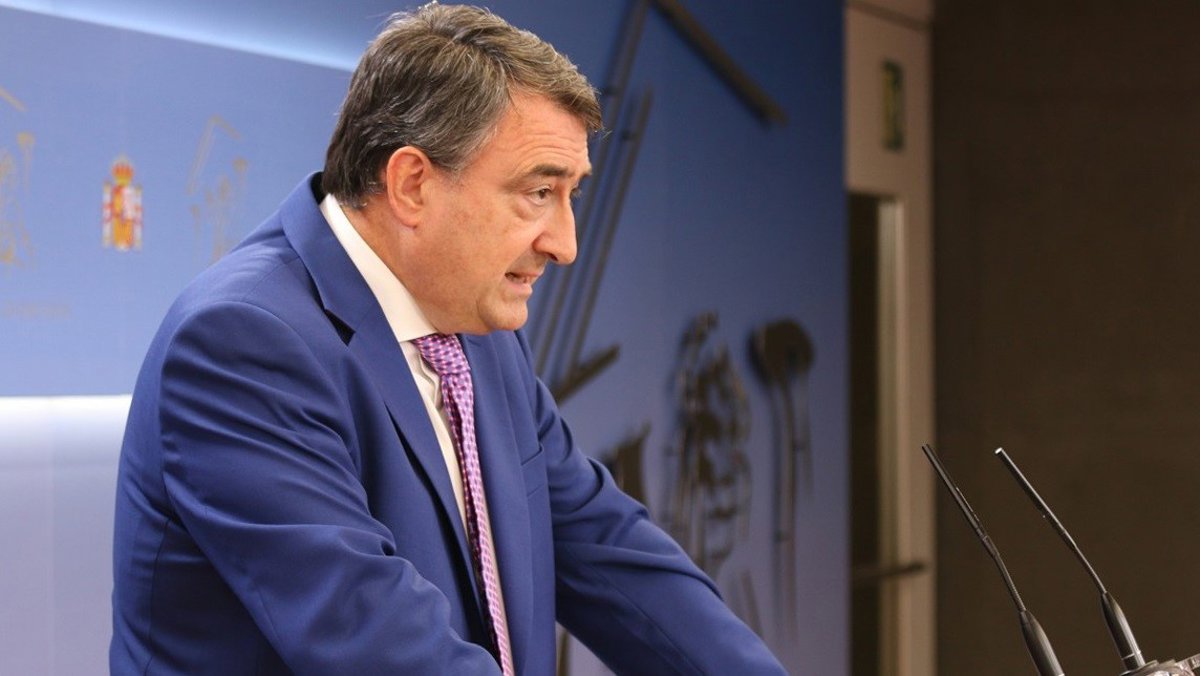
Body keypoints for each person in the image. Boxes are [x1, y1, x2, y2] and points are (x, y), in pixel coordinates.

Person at [110, 4, 787, 674]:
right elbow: (378, 641)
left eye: (571, 195)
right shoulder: (242, 344)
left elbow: (608, 550)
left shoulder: (473, 322)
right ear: (412, 185)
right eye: (538, 193)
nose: (565, 244)